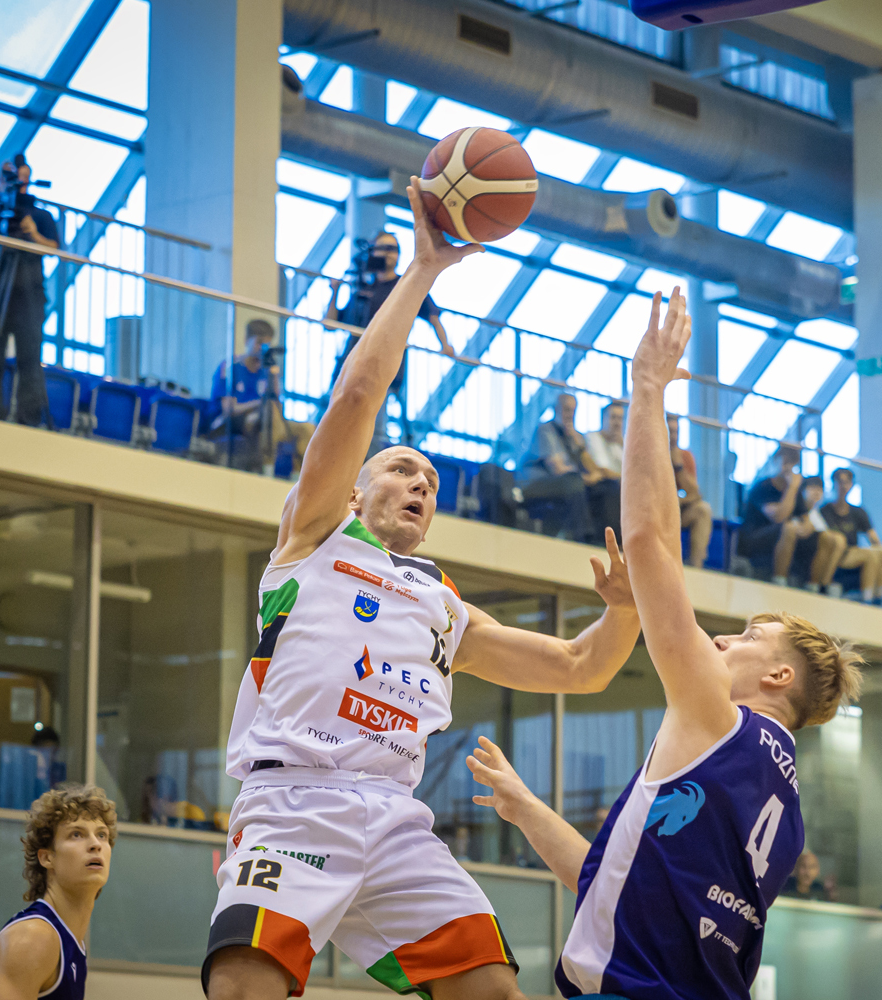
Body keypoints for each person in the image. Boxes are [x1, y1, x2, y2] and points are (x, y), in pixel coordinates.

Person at [203, 178, 644, 1000]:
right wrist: (424, 270)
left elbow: (580, 669)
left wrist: (623, 611)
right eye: (402, 469)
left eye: (432, 482)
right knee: (243, 986)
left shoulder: (443, 605)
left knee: (493, 990)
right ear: (354, 491)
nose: (421, 484)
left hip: (395, 819)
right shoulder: (315, 537)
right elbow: (358, 394)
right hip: (296, 800)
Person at [464, 287, 863, 1000]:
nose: (722, 638)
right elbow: (614, 884)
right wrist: (524, 807)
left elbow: (650, 543)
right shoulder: (786, 811)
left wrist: (647, 387)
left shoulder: (720, 720)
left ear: (778, 677)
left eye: (749, 636)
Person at [0, 785, 117, 1000]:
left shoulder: (71, 941)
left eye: (102, 835)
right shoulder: (34, 938)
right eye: (76, 834)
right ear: (47, 858)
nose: (96, 844)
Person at [324, 229, 456, 443]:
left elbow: (432, 316)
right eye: (382, 248)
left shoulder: (405, 285)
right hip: (351, 361)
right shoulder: (363, 288)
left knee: (373, 423)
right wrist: (335, 292)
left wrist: (445, 345)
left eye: (392, 249)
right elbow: (331, 324)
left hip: (386, 364)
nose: (387, 253)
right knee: (336, 418)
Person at [0, 155, 61, 427]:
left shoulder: (40, 216)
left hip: (29, 294)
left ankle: (29, 417)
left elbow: (54, 248)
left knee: (29, 357)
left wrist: (33, 234)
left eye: (22, 179)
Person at [209, 319, 315, 474]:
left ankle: (299, 475)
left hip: (267, 422)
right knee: (267, 412)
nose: (263, 349)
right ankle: (267, 468)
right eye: (259, 343)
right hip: (233, 422)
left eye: (267, 344)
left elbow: (277, 407)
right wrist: (260, 403)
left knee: (307, 428)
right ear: (247, 340)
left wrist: (273, 375)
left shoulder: (267, 371)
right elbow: (229, 409)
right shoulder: (231, 366)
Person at [817, 467, 882, 607]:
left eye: (847, 482)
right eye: (840, 482)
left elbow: (875, 540)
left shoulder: (858, 511)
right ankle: (871, 600)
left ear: (852, 485)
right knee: (872, 554)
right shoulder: (825, 510)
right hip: (843, 556)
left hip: (869, 554)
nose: (843, 486)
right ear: (833, 484)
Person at [518, 392, 602, 543]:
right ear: (556, 409)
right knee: (574, 482)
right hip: (535, 484)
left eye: (573, 411)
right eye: (566, 409)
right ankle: (583, 535)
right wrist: (586, 478)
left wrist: (580, 447)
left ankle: (604, 538)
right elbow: (558, 469)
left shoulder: (575, 438)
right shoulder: (545, 430)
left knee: (602, 488)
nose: (570, 415)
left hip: (568, 483)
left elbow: (595, 472)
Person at [736, 443, 805, 585]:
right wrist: (792, 487)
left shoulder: (797, 494)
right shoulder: (763, 487)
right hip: (755, 538)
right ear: (776, 460)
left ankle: (816, 587)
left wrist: (803, 529)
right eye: (785, 461)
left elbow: (807, 519)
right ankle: (779, 580)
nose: (788, 468)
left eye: (792, 463)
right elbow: (779, 517)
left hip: (784, 536)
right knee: (789, 528)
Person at [668, 414, 713, 569]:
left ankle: (696, 567)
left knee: (703, 510)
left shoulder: (685, 456)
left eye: (676, 432)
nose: (673, 437)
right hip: (656, 511)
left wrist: (678, 466)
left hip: (678, 510)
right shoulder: (651, 454)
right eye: (670, 432)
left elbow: (694, 492)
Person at [584, 400, 625, 540]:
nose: (617, 423)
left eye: (620, 418)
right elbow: (603, 470)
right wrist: (622, 478)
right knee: (614, 488)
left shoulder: (620, 445)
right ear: (603, 418)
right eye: (613, 417)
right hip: (600, 487)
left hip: (618, 485)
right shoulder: (593, 438)